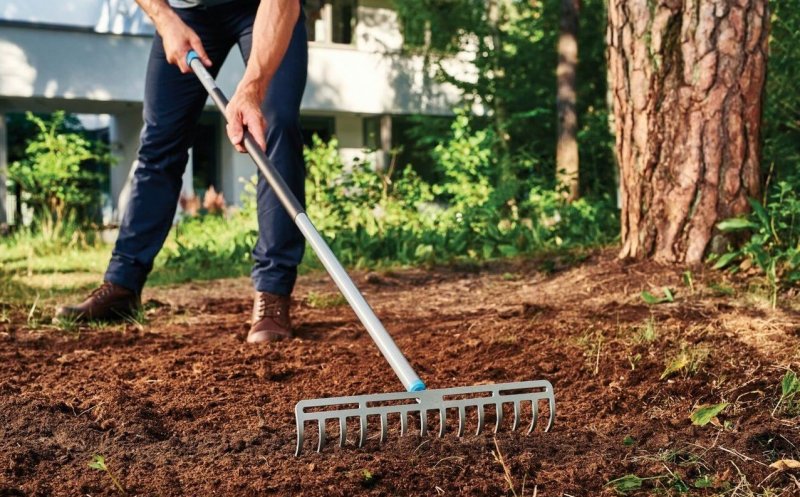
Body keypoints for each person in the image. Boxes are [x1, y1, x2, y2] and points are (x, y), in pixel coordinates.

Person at [56, 0, 308, 343]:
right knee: (160, 140)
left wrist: (252, 87)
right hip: (185, 10)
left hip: (262, 7)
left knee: (275, 124)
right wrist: (164, 17)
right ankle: (122, 284)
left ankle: (273, 292)